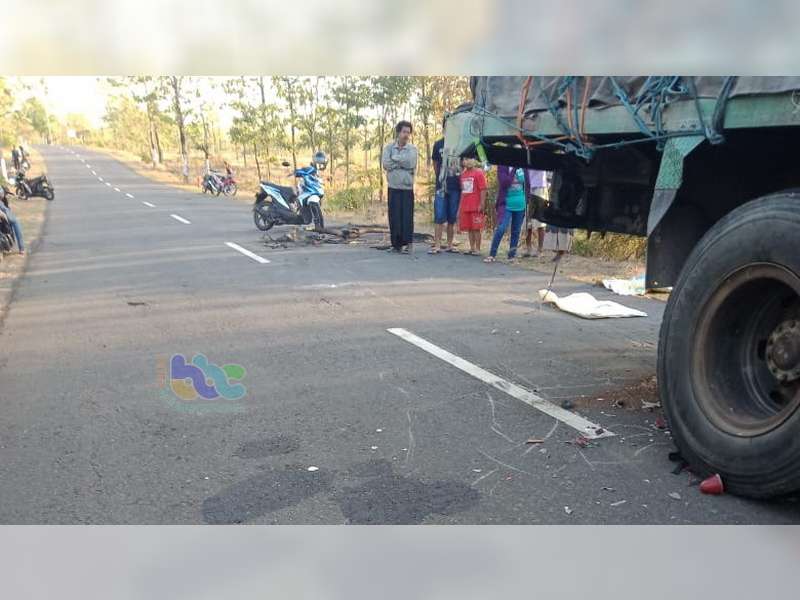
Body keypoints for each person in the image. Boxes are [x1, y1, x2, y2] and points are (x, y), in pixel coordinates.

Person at [382, 120, 418, 254]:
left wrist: (396, 160)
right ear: (398, 132)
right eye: (404, 132)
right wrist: (401, 162)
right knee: (394, 217)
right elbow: (386, 164)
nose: (406, 135)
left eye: (408, 132)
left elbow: (411, 163)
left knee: (407, 217)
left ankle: (408, 244)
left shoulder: (413, 149)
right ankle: (396, 245)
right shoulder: (388, 148)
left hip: (407, 188)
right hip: (393, 186)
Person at [428, 127, 461, 254]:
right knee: (439, 215)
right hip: (441, 185)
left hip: (456, 185)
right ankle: (437, 245)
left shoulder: (460, 144)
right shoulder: (438, 144)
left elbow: (464, 162)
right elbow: (435, 164)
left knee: (452, 217)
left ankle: (450, 244)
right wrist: (440, 178)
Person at [485, 166, 528, 263]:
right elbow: (505, 183)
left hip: (520, 203)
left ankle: (511, 256)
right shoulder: (503, 167)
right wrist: (514, 170)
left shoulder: (523, 167)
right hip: (506, 203)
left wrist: (527, 201)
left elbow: (527, 184)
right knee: (501, 228)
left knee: (516, 231)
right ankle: (492, 254)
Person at [458, 158, 487, 255]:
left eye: (469, 159)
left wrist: (482, 203)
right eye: (465, 159)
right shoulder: (462, 175)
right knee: (469, 228)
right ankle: (472, 248)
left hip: (476, 205)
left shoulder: (478, 173)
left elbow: (483, 189)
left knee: (476, 228)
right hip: (466, 205)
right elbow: (463, 191)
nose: (467, 161)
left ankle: (478, 249)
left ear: (474, 161)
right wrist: (460, 206)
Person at [523, 169, 549, 257]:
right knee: (528, 222)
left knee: (540, 221)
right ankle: (528, 248)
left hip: (540, 187)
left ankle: (540, 249)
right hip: (528, 186)